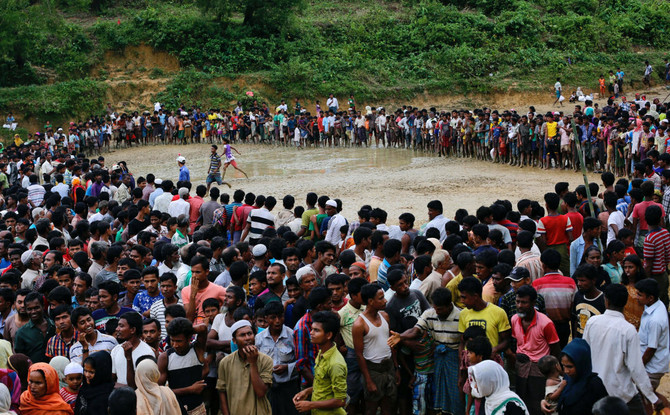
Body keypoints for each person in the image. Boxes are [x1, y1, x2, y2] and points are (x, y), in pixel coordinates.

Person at [583, 284, 663, 413]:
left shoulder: (592, 322)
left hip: (595, 390)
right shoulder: (628, 330)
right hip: (621, 393)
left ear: (606, 300)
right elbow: (636, 368)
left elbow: (584, 353)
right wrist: (653, 398)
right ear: (625, 302)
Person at [510, 285, 560, 415]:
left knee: (538, 404)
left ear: (533, 303)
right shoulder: (515, 319)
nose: (520, 305)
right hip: (521, 367)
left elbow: (555, 349)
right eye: (518, 301)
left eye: (524, 302)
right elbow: (517, 343)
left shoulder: (546, 323)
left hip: (539, 370)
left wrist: (551, 372)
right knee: (521, 402)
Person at [352, 283, 398, 415]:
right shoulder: (359, 324)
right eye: (381, 298)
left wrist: (395, 367)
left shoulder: (385, 316)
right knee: (371, 408)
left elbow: (391, 342)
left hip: (388, 367)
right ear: (371, 301)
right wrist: (368, 380)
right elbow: (359, 354)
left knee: (387, 406)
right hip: (373, 370)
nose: (385, 301)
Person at [292, 311, 347, 414]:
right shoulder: (321, 352)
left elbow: (340, 400)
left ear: (329, 335)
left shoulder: (335, 364)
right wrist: (307, 391)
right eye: (312, 329)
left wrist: (310, 405)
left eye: (316, 330)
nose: (311, 333)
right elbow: (324, 385)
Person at [216, 320, 273, 415]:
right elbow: (222, 392)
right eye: (242, 335)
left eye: (249, 334)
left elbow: (260, 392)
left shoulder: (266, 360)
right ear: (234, 340)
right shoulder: (225, 363)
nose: (247, 338)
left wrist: (253, 363)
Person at [543, 338, 608, 415]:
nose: (566, 371)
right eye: (563, 366)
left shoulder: (594, 385)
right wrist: (545, 403)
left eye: (570, 367)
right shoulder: (568, 379)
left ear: (581, 364)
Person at [635, 278, 669, 393]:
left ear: (650, 298)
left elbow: (651, 348)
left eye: (640, 295)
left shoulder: (655, 320)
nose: (636, 297)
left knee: (646, 398)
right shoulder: (654, 305)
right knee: (648, 396)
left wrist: (639, 367)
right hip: (651, 366)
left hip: (651, 368)